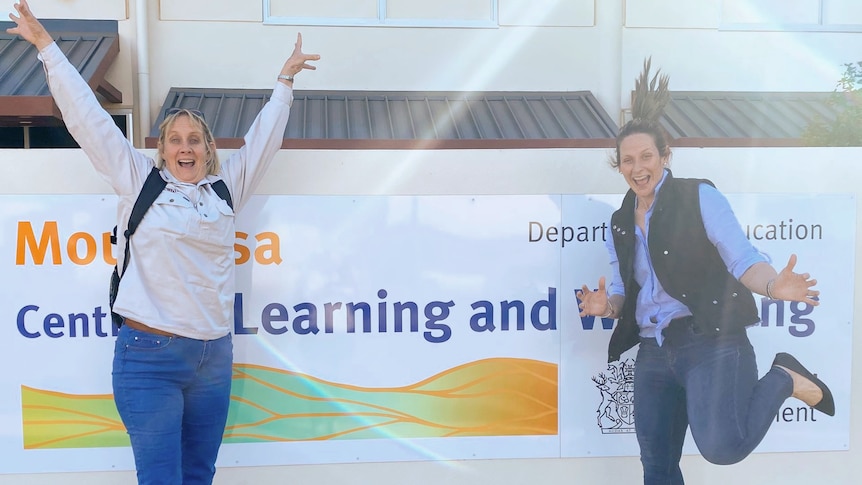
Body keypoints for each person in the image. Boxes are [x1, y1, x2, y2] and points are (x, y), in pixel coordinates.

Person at [7, 1, 320, 483]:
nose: (185, 147)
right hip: (148, 358)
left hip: (213, 359)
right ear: (162, 148)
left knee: (198, 476)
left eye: (195, 139)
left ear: (208, 149)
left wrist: (284, 83)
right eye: (175, 139)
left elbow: (263, 141)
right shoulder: (138, 179)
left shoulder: (224, 188)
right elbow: (87, 118)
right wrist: (47, 47)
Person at [576, 59, 834, 485]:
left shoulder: (700, 197)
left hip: (711, 343)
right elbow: (624, 290)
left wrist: (773, 285)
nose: (638, 168)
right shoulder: (619, 221)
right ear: (617, 166)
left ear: (664, 156)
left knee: (722, 449)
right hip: (654, 350)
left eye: (646, 156)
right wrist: (608, 306)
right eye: (627, 160)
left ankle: (784, 378)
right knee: (657, 467)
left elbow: (742, 259)